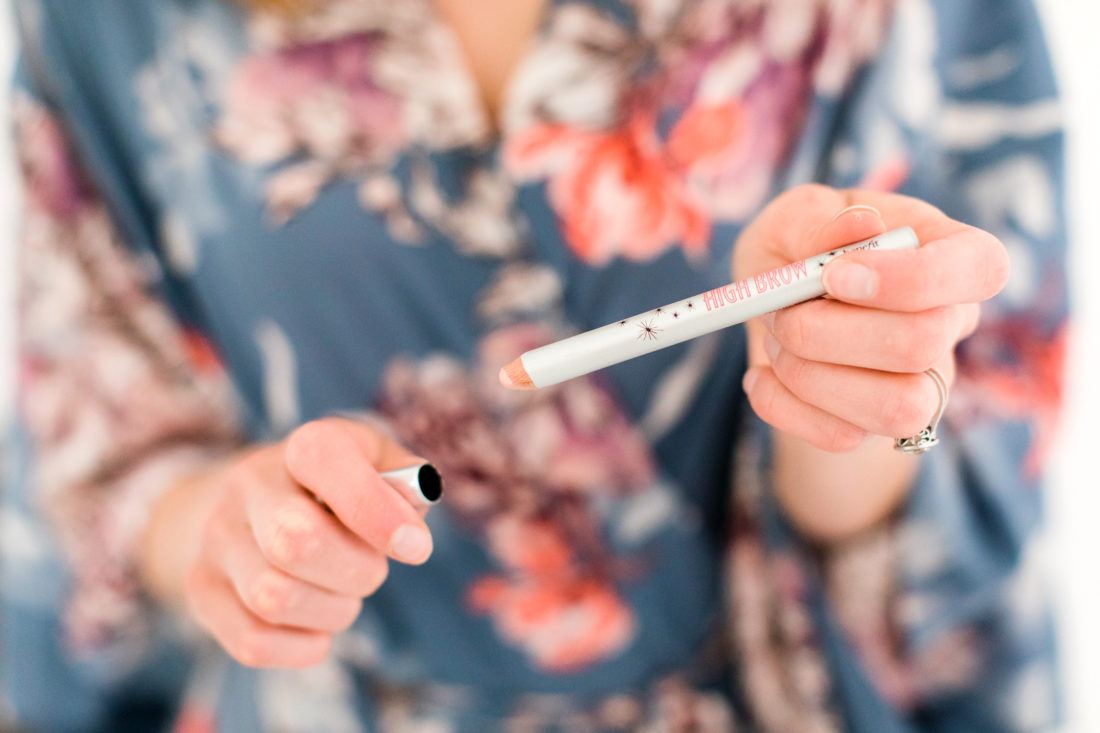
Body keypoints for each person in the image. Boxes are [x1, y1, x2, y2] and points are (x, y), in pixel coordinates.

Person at [1, 0, 1068, 730]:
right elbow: (90, 447)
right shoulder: (96, 29)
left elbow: (966, 448)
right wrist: (234, 533)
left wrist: (856, 393)